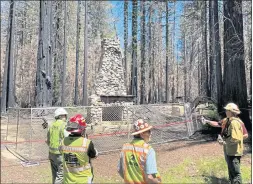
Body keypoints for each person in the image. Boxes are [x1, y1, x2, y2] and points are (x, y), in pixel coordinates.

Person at [202, 103, 245, 184]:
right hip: (229, 150)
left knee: (236, 173)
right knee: (231, 169)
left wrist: (224, 142)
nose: (225, 111)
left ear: (231, 111)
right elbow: (218, 124)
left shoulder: (235, 123)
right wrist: (207, 121)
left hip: (234, 151)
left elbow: (239, 137)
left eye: (227, 110)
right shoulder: (227, 120)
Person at [117, 119, 161, 184]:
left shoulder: (125, 148)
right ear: (142, 134)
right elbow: (151, 177)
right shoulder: (148, 150)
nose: (150, 133)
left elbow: (119, 170)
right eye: (148, 131)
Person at [59, 114, 98, 184]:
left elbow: (61, 151)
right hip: (84, 180)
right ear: (82, 129)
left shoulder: (63, 141)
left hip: (68, 180)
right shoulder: (86, 143)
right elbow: (94, 155)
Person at [46, 107, 68, 184]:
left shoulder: (51, 125)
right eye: (64, 115)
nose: (65, 117)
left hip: (51, 153)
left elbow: (48, 140)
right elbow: (68, 138)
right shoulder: (64, 125)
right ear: (60, 116)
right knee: (60, 175)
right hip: (60, 154)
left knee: (54, 174)